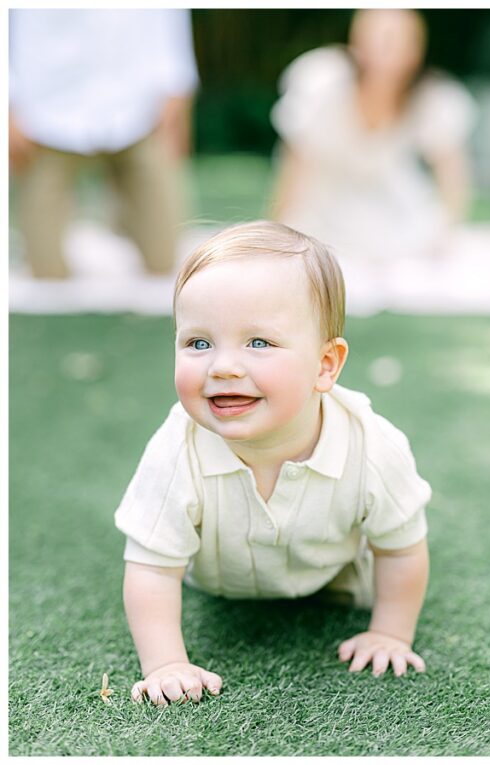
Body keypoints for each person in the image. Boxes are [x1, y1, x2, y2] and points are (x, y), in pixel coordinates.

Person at [114, 221, 432, 705]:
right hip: (218, 583)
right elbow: (152, 568)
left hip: (330, 577)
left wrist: (391, 633)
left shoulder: (371, 446)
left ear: (326, 365)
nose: (222, 366)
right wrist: (166, 663)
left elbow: (402, 548)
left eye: (258, 343)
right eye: (198, 343)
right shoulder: (177, 447)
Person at [269, 9, 475, 314]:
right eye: (379, 37)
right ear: (357, 40)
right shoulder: (321, 81)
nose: (386, 48)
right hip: (325, 197)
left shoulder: (432, 96)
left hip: (390, 198)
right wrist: (278, 228)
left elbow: (451, 170)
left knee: (412, 244)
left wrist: (448, 228)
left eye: (398, 39)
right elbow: (296, 161)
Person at [9, 9, 198, 279]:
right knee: (45, 272)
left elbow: (168, 17)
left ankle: (123, 216)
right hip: (45, 119)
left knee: (165, 260)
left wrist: (178, 90)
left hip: (138, 111)